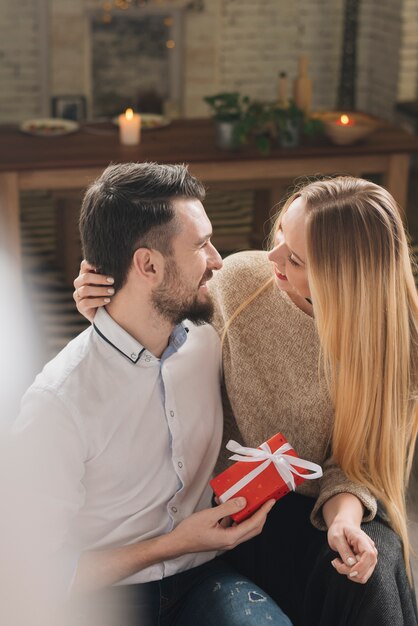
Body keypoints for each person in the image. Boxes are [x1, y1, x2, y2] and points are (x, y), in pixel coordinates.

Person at [75, 175, 418, 626]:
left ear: (341, 281)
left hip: (314, 510)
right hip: (222, 509)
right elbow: (161, 331)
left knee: (376, 564)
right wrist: (113, 304)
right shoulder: (242, 283)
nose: (270, 256)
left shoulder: (396, 346)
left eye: (293, 257)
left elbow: (357, 469)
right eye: (280, 235)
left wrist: (345, 521)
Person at [10, 162, 292, 626]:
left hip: (203, 577)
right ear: (147, 265)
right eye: (201, 245)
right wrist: (175, 543)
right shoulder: (57, 405)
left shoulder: (209, 338)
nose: (218, 260)